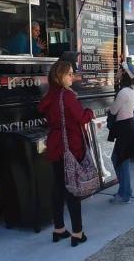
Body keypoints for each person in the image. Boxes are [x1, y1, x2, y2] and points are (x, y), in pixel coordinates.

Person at [38, 60, 94, 247]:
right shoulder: (67, 96)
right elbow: (80, 117)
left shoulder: (50, 96)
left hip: (55, 144)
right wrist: (90, 112)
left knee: (58, 187)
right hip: (70, 146)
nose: (73, 76)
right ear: (59, 76)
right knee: (73, 189)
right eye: (69, 74)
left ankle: (59, 229)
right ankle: (78, 233)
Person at [108, 62, 134, 204]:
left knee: (120, 161)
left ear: (125, 75)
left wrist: (109, 107)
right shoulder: (133, 90)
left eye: (121, 71)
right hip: (128, 127)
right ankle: (125, 191)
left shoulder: (123, 92)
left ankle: (124, 193)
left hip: (123, 128)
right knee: (121, 160)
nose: (118, 72)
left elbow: (114, 110)